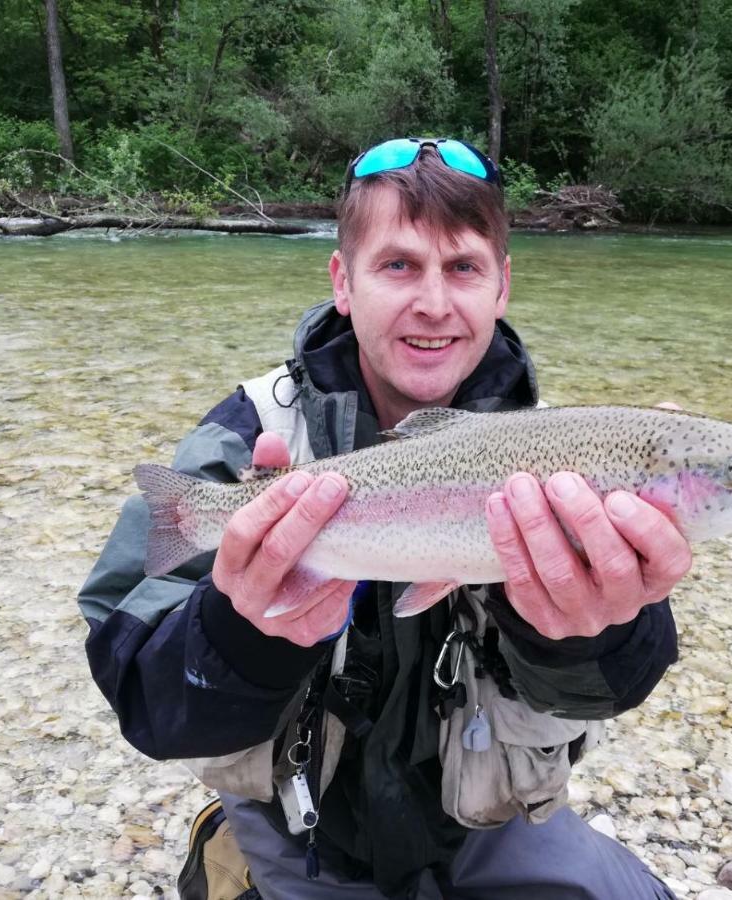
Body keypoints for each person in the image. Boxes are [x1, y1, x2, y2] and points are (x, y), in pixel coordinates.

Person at [78, 137, 691, 900]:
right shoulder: (246, 438)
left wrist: (588, 628)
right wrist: (241, 629)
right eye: (398, 265)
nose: (432, 303)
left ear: (501, 286)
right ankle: (225, 850)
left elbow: (607, 692)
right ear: (343, 281)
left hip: (488, 828)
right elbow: (145, 705)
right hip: (301, 839)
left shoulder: (563, 454)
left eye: (462, 267)